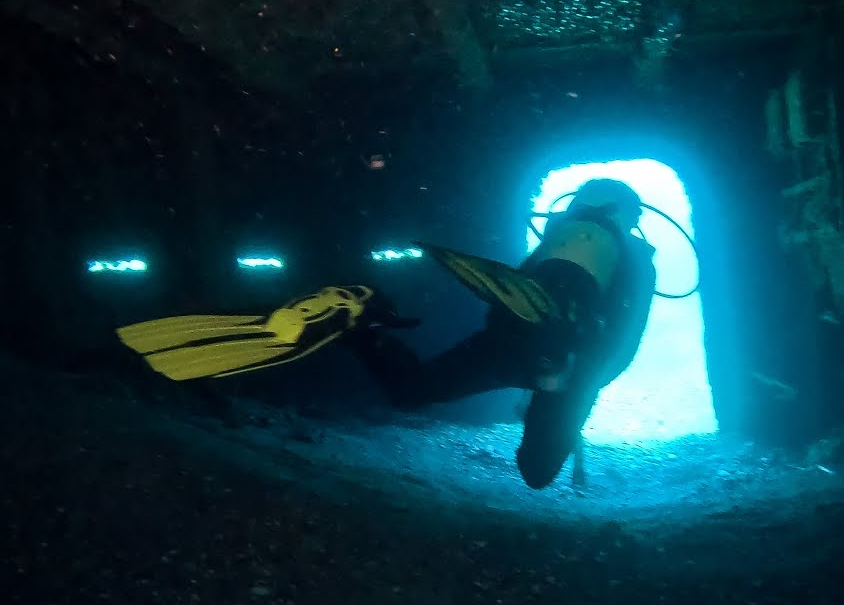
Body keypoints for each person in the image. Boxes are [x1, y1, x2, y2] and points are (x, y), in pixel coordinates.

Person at [115, 178, 657, 489]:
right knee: (536, 473)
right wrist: (574, 377)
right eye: (630, 218)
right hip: (561, 355)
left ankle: (361, 321)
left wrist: (538, 361)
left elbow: (516, 297)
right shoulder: (630, 256)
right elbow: (623, 335)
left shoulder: (559, 238)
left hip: (519, 345)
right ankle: (547, 360)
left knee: (411, 390)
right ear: (623, 215)